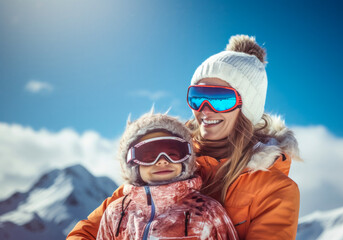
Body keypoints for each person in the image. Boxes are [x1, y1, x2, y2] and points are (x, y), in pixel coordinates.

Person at [67, 35, 301, 240]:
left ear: (246, 107)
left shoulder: (274, 190)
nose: (205, 109)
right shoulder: (170, 156)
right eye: (198, 96)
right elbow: (88, 231)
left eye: (220, 99)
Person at [96, 111, 238, 239]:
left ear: (186, 158)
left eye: (173, 155)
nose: (162, 161)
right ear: (132, 163)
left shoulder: (207, 211)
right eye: (149, 156)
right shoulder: (116, 213)